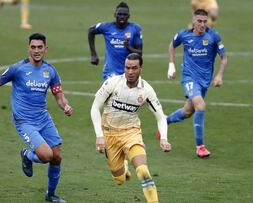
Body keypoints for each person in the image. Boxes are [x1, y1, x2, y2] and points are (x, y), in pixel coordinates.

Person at [0, 33, 72, 203]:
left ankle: (50, 195)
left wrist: (65, 105)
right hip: (25, 121)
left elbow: (59, 96)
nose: (36, 50)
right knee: (46, 156)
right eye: (33, 47)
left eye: (40, 47)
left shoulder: (50, 71)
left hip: (43, 119)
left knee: (57, 157)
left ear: (46, 49)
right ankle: (27, 155)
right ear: (28, 48)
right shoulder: (18, 69)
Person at [91, 53, 171, 203]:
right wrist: (99, 135)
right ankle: (124, 168)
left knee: (142, 171)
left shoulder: (147, 90)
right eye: (127, 68)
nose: (130, 72)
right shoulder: (112, 83)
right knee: (119, 179)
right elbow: (94, 108)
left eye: (134, 68)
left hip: (131, 133)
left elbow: (160, 117)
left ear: (141, 68)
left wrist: (164, 139)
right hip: (109, 134)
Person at [165, 9, 228, 158]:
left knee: (187, 112)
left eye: (205, 22)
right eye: (199, 21)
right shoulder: (183, 35)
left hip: (204, 81)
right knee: (200, 105)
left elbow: (224, 58)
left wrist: (219, 75)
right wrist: (171, 65)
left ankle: (164, 121)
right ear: (193, 21)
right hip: (189, 78)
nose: (202, 24)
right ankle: (200, 147)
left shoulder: (213, 35)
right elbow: (172, 45)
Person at [88, 1, 143, 81]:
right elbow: (91, 30)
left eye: (124, 15)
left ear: (128, 16)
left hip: (129, 73)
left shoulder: (135, 29)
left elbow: (139, 53)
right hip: (110, 73)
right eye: (119, 14)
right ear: (115, 15)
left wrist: (129, 47)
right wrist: (93, 54)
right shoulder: (107, 27)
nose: (122, 17)